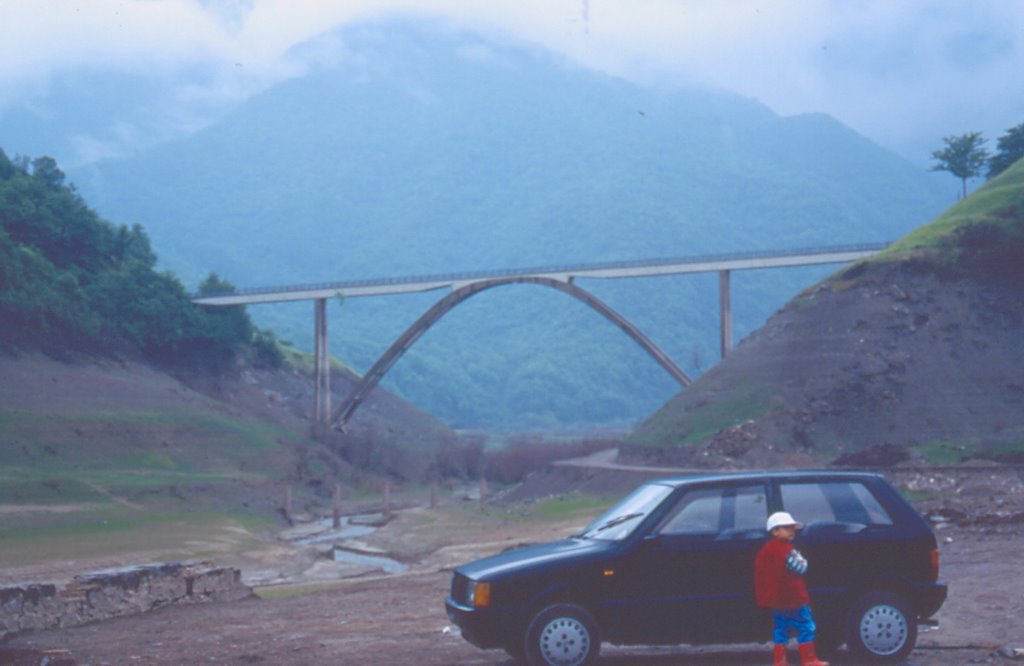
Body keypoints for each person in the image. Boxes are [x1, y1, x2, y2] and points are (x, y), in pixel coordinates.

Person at [754, 511, 829, 666]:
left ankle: (779, 661)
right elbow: (801, 568)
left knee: (781, 629)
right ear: (775, 531)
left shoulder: (766, 551)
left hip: (777, 600)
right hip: (794, 599)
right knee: (806, 626)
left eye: (792, 528)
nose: (792, 530)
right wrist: (801, 558)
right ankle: (809, 659)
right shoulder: (786, 550)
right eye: (787, 528)